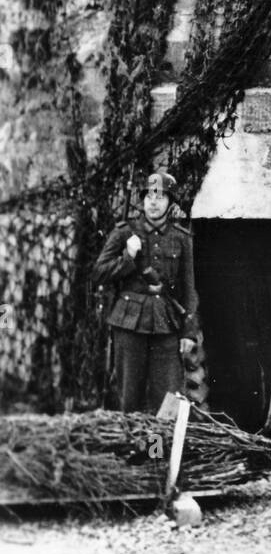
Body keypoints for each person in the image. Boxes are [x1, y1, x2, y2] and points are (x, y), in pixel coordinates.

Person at [93, 170, 198, 413]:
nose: (153, 202)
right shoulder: (123, 232)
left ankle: (158, 451)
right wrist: (127, 257)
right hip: (129, 323)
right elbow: (98, 273)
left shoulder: (181, 238)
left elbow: (189, 288)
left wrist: (188, 332)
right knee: (129, 396)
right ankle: (132, 449)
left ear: (170, 202)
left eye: (160, 197)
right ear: (142, 200)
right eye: (149, 196)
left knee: (168, 396)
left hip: (166, 324)